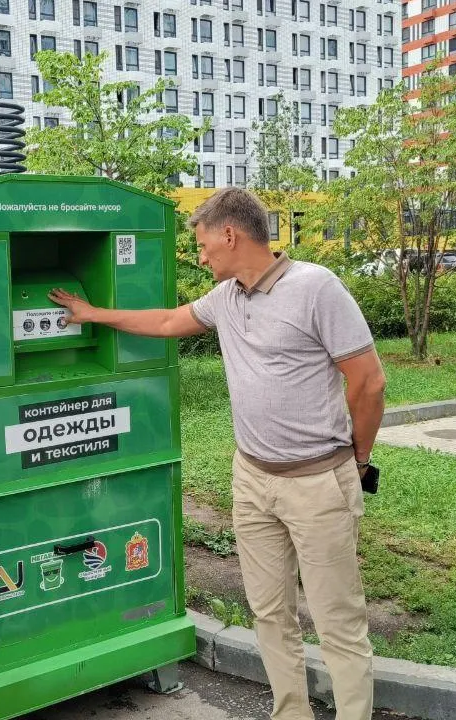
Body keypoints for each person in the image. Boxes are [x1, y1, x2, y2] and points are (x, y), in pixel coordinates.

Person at [50, 187, 385, 720]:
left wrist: (356, 460)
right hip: (252, 477)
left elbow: (368, 383)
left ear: (230, 234)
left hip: (317, 482)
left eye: (204, 245)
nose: (201, 256)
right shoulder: (226, 298)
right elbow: (164, 323)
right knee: (270, 612)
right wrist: (92, 313)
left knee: (337, 618)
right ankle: (290, 712)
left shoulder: (316, 287)